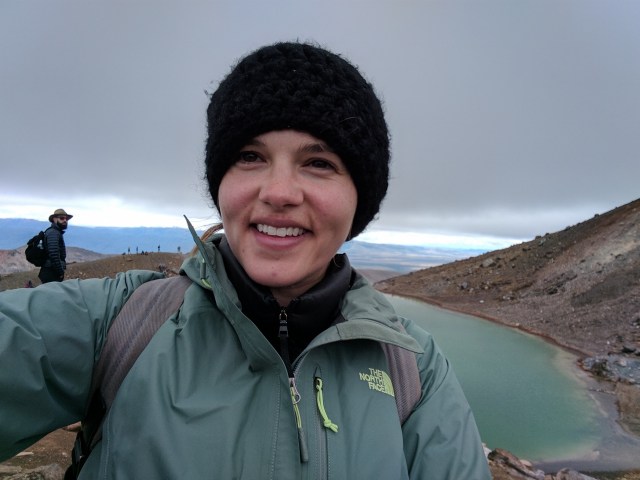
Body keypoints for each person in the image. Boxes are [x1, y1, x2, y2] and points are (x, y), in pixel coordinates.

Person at [0, 42, 490, 479]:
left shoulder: (413, 369)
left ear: (359, 199)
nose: (278, 192)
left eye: (319, 163)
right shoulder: (121, 322)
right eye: (250, 156)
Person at [38, 208, 72, 284]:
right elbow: (54, 255)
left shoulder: (55, 231)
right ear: (54, 219)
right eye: (62, 218)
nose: (65, 220)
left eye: (66, 219)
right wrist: (60, 272)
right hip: (51, 272)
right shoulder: (53, 233)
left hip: (50, 271)